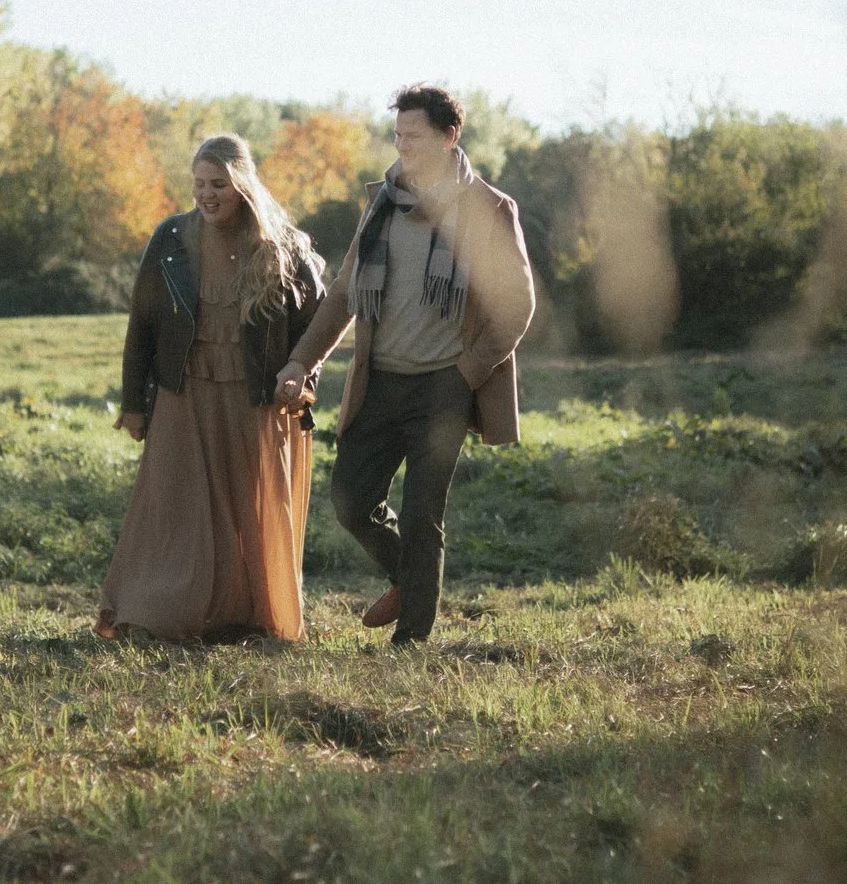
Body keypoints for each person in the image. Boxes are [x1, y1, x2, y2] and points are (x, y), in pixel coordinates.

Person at [275, 85, 536, 644]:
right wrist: (301, 359)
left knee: (423, 517)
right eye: (398, 136)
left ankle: (411, 641)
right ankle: (408, 578)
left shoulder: (487, 208)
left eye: (414, 137)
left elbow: (518, 303)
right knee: (351, 501)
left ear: (450, 136)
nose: (403, 147)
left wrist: (468, 373)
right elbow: (345, 293)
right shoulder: (383, 205)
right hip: (381, 382)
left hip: (445, 387)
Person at [99, 133, 326, 642]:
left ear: (242, 184)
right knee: (177, 505)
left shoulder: (284, 244)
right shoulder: (171, 238)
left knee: (249, 507)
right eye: (199, 184)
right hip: (184, 391)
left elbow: (321, 321)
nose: (207, 194)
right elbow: (144, 324)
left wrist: (302, 374)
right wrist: (135, 403)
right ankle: (161, 614)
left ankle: (243, 617)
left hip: (255, 401)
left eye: (218, 184)